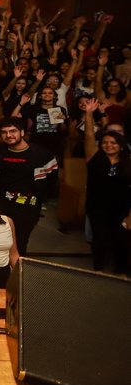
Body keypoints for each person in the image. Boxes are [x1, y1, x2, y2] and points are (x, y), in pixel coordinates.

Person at [0, 118, 57, 256]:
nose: (9, 135)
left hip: (27, 205)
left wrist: (40, 198)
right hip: (1, 202)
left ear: (22, 132)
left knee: (19, 242)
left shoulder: (42, 154)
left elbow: (52, 179)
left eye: (13, 131)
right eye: (4, 132)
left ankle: (17, 268)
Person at [83, 99, 131, 275]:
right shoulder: (94, 158)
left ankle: (121, 273)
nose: (108, 145)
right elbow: (89, 136)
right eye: (105, 142)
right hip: (97, 208)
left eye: (113, 143)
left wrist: (130, 216)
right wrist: (89, 113)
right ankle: (98, 271)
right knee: (99, 240)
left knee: (122, 241)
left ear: (120, 146)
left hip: (121, 210)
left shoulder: (128, 163)